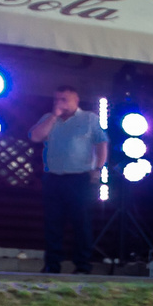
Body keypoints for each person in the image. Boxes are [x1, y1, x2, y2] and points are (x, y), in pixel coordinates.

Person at [29, 87, 104, 274]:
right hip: (53, 178)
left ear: (76, 100)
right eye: (56, 99)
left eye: (64, 99)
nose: (59, 103)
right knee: (53, 224)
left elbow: (102, 143)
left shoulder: (89, 118)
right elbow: (35, 137)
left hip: (79, 178)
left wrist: (98, 169)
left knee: (81, 223)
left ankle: (83, 266)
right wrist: (54, 116)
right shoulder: (49, 118)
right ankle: (52, 265)